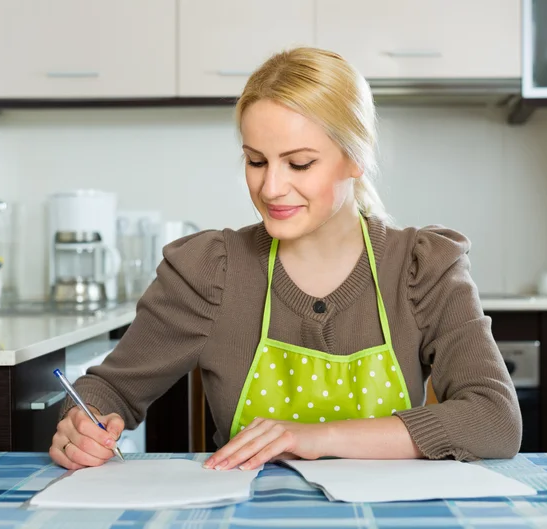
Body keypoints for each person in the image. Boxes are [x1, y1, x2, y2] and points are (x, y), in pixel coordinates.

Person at [50, 47, 522, 471]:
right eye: (256, 161)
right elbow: (107, 391)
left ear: (356, 157)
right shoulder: (211, 272)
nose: (271, 188)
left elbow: (494, 419)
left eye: (299, 163)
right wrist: (82, 424)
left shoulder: (423, 267)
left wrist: (314, 438)